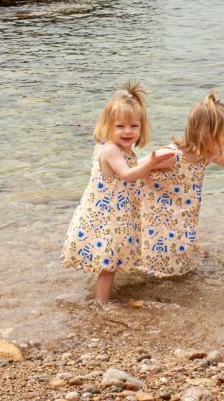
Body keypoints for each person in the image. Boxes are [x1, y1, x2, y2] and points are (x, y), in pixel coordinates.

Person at [139, 91, 224, 277]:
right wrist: (145, 172)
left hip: (181, 224)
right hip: (158, 225)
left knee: (178, 268)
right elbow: (132, 168)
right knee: (161, 269)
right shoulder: (172, 156)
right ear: (205, 134)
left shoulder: (205, 156)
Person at [61, 82, 174, 301]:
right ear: (108, 126)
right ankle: (102, 303)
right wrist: (150, 162)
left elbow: (132, 172)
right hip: (106, 215)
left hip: (114, 213)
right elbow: (126, 174)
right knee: (108, 263)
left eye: (134, 126)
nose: (128, 131)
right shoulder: (111, 149)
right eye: (120, 126)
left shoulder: (124, 150)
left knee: (110, 257)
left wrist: (152, 174)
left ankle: (101, 296)